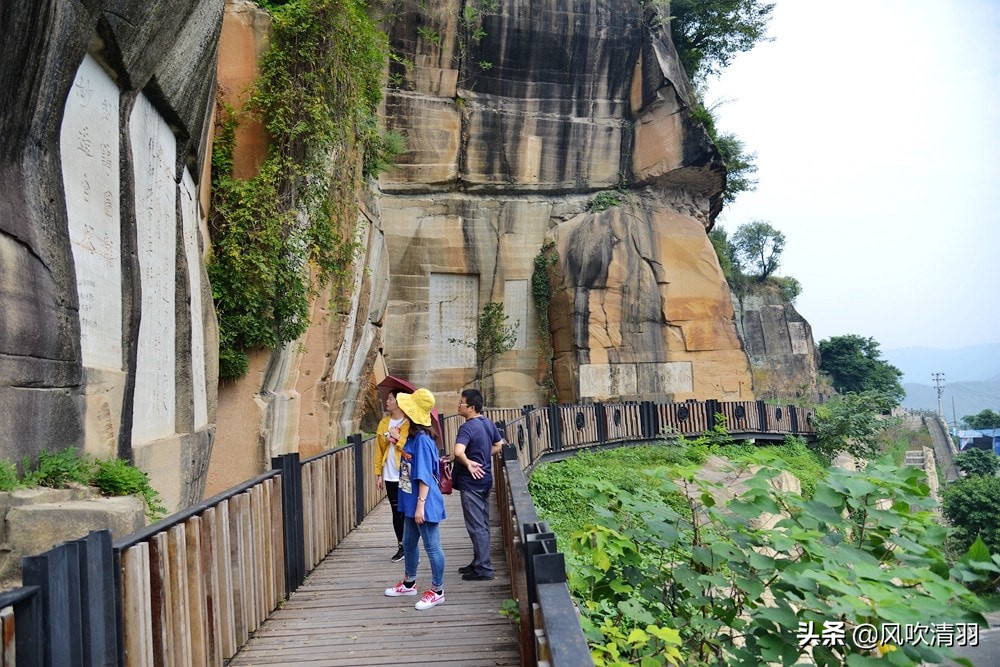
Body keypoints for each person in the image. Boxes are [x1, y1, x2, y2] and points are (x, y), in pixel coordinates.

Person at [383, 388, 447, 610]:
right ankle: (409, 582)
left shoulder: (423, 440)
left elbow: (425, 476)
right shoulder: (411, 436)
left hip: (423, 502)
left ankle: (438, 590)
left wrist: (420, 506)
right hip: (410, 500)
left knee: (432, 546)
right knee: (409, 543)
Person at [452, 388, 504, 581]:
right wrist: (481, 459)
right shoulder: (487, 422)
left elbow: (458, 451)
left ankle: (484, 568)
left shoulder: (467, 427)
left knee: (476, 526)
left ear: (471, 408)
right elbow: (499, 445)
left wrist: (469, 463)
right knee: (481, 524)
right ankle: (478, 562)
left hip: (471, 484)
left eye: (461, 403)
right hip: (484, 481)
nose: (458, 405)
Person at [374, 389, 408, 562]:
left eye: (390, 399)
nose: (387, 402)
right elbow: (378, 450)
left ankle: (411, 547)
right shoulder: (383, 423)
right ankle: (401, 546)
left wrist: (398, 438)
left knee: (407, 511)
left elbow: (410, 449)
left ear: (399, 402)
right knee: (396, 511)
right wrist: (378, 474)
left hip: (405, 474)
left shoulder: (409, 423)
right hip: (389, 473)